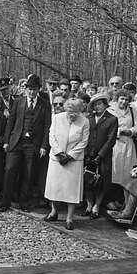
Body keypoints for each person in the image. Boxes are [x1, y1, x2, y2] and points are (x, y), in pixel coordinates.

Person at [0, 75, 51, 212]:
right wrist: (6, 141)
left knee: (28, 173)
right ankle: (5, 201)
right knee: (10, 170)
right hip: (16, 142)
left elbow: (47, 126)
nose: (31, 92)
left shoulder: (45, 104)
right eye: (29, 89)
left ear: (38, 89)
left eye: (34, 89)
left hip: (33, 144)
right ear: (25, 89)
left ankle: (24, 202)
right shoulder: (18, 102)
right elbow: (11, 122)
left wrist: (44, 145)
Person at [43, 98, 89, 230]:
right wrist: (59, 153)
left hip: (73, 160)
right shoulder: (57, 118)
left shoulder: (84, 121)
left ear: (80, 111)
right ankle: (53, 212)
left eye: (75, 112)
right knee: (55, 187)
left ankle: (69, 218)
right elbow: (51, 136)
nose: (72, 115)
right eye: (70, 112)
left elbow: (84, 141)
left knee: (71, 190)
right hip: (57, 158)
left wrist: (70, 156)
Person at [84, 93, 118, 218]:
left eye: (99, 104)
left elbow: (111, 140)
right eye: (95, 104)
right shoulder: (89, 118)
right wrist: (87, 153)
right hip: (88, 154)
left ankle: (96, 206)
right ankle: (88, 204)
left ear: (105, 104)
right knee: (87, 179)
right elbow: (85, 135)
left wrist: (100, 155)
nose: (97, 107)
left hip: (103, 156)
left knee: (101, 181)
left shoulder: (112, 119)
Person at [109, 89, 137, 190]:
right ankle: (112, 197)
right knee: (114, 170)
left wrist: (131, 131)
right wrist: (119, 131)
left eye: (126, 99)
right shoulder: (110, 110)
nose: (124, 101)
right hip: (115, 143)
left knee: (127, 169)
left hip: (128, 143)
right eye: (122, 99)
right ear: (117, 99)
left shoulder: (131, 109)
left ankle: (124, 197)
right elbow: (108, 126)